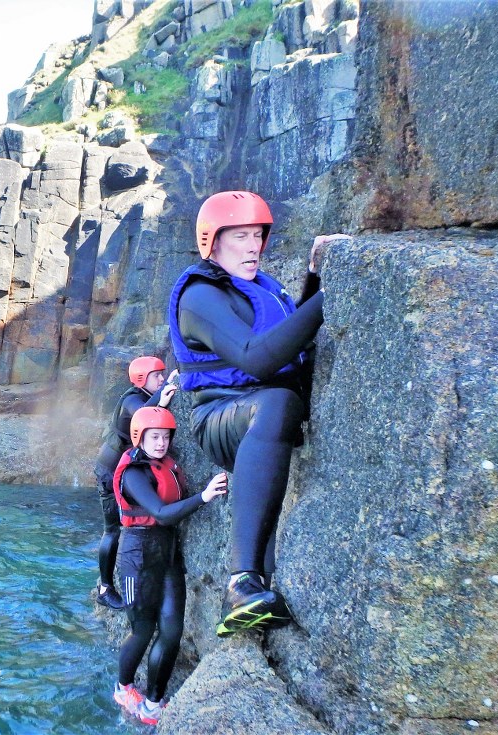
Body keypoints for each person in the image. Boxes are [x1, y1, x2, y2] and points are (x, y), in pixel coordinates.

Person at [168, 190, 349, 636]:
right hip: (218, 418)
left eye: (258, 236)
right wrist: (331, 294)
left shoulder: (259, 287)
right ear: (213, 242)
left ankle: (251, 611)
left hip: (257, 410)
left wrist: (315, 276)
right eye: (241, 236)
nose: (253, 246)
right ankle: (239, 583)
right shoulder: (200, 296)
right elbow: (257, 358)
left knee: (269, 534)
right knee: (277, 402)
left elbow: (289, 335)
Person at [112, 406, 227, 725]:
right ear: (139, 437)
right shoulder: (135, 473)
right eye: (154, 436)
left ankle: (152, 703)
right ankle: (123, 688)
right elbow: (161, 512)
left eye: (165, 436)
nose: (161, 442)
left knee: (172, 631)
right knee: (143, 630)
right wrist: (205, 496)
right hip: (138, 556)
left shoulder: (167, 465)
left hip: (168, 554)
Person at [94, 356, 179, 609]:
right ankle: (104, 587)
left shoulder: (142, 395)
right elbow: (143, 416)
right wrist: (163, 395)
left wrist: (163, 391)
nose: (161, 380)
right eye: (157, 376)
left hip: (124, 469)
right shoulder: (132, 399)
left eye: (162, 375)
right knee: (112, 530)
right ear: (142, 379)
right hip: (109, 473)